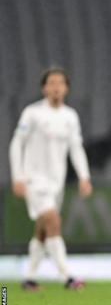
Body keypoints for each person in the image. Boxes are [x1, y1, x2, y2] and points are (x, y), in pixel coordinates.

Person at [9, 67, 92, 291]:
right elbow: (17, 144)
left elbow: (76, 148)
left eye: (60, 83)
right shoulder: (32, 113)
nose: (56, 87)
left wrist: (84, 176)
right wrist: (18, 176)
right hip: (34, 180)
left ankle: (29, 278)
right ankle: (67, 276)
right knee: (53, 221)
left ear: (66, 88)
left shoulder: (70, 116)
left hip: (57, 183)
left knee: (43, 230)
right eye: (51, 83)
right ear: (44, 88)